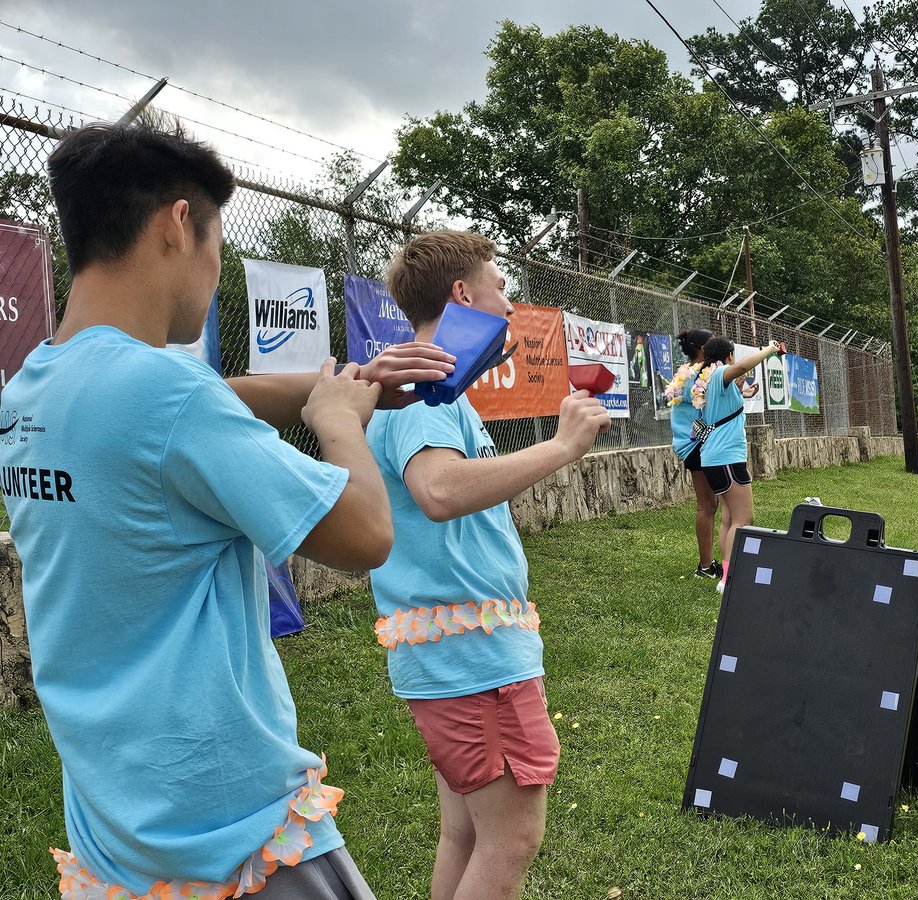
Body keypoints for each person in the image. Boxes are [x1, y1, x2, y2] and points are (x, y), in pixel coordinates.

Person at [0, 119, 456, 898]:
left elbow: (188, 410)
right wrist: (340, 422)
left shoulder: (34, 389)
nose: (216, 268)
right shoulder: (165, 395)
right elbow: (366, 534)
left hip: (119, 829)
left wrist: (358, 379)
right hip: (232, 827)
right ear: (179, 223)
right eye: (216, 242)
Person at [365, 230, 610, 900]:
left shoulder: (424, 387)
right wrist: (561, 448)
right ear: (462, 295)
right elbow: (439, 490)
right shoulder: (427, 391)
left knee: (468, 834)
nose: (510, 299)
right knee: (512, 836)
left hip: (455, 654)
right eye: (500, 286)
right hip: (472, 660)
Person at [693, 336, 785, 592]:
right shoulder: (722, 372)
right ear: (729, 355)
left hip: (713, 458)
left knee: (729, 517)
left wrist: (743, 393)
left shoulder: (708, 379)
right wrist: (769, 349)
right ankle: (730, 577)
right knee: (744, 518)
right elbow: (743, 368)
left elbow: (723, 408)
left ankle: (726, 573)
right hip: (727, 459)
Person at [666, 329, 721, 578]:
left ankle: (708, 564)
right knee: (707, 505)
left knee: (710, 504)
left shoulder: (685, 372)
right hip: (696, 445)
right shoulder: (699, 375)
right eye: (711, 345)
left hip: (692, 444)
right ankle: (706, 566)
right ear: (702, 349)